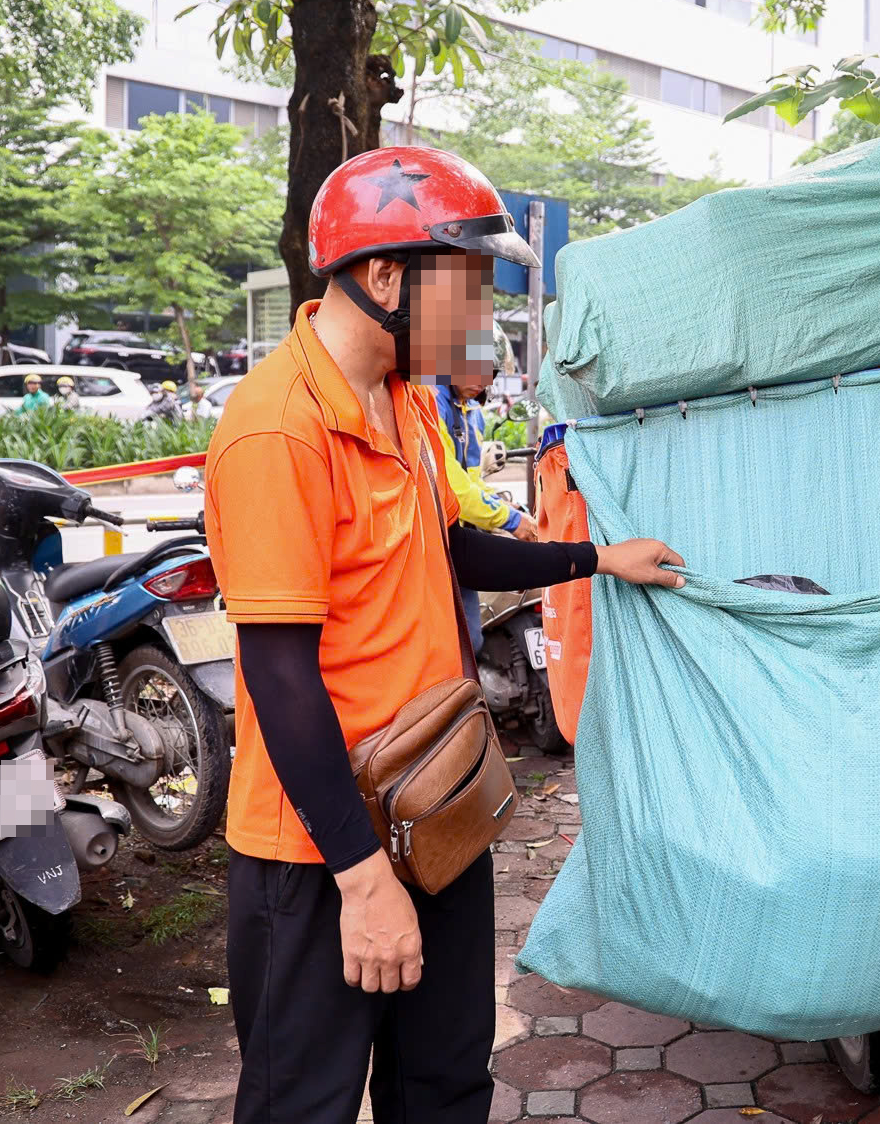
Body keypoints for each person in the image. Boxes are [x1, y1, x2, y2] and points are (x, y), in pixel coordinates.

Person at [204, 146, 685, 1124]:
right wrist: (362, 879)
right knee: (305, 1103)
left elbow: (451, 545)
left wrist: (594, 560)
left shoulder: (408, 399)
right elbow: (282, 678)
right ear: (384, 275)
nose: (480, 319)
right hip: (319, 851)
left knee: (448, 1086)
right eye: (466, 287)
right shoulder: (277, 430)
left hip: (439, 814)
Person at [434, 379, 537, 652]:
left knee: (471, 641)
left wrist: (505, 505)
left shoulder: (472, 411)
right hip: (431, 541)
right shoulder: (431, 402)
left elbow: (471, 480)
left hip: (460, 541)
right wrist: (512, 521)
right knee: (452, 645)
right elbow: (454, 491)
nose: (480, 380)